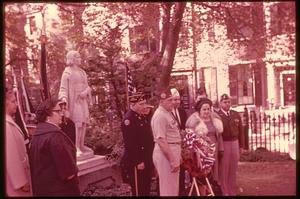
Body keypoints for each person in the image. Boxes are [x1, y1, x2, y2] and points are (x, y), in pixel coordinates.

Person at [29, 98, 80, 196]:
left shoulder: (36, 136)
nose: (62, 113)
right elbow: (69, 174)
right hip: (61, 191)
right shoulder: (55, 136)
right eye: (58, 111)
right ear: (48, 115)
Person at [58, 50, 93, 158]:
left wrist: (86, 92)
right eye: (78, 57)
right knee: (77, 123)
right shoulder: (67, 72)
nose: (80, 59)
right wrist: (63, 99)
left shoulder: (82, 72)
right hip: (74, 101)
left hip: (82, 100)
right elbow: (63, 88)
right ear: (72, 59)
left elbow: (87, 86)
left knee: (84, 122)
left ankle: (81, 145)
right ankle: (76, 146)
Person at [120, 92, 155, 196]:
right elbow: (130, 143)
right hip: (137, 161)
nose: (144, 106)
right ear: (132, 105)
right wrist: (138, 161)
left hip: (146, 158)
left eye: (144, 103)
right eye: (141, 104)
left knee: (146, 188)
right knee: (139, 190)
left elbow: (147, 137)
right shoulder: (129, 120)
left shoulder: (141, 117)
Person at [188, 97, 224, 195]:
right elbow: (191, 138)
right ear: (199, 110)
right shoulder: (194, 122)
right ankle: (203, 194)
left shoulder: (215, 120)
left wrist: (221, 148)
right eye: (204, 109)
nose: (207, 111)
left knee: (213, 174)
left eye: (208, 109)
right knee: (203, 175)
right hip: (202, 152)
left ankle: (210, 192)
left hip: (214, 150)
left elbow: (219, 136)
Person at [151, 88, 181, 196]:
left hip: (172, 151)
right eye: (169, 100)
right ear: (161, 101)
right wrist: (172, 160)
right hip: (166, 155)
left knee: (173, 187)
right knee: (168, 188)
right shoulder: (160, 116)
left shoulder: (167, 113)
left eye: (172, 100)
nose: (172, 103)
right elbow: (161, 140)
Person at [5, 87, 32, 196]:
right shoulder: (6, 125)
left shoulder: (9, 121)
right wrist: (21, 183)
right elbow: (10, 155)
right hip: (17, 185)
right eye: (13, 101)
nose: (16, 104)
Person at [216, 94, 244, 196]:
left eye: (228, 102)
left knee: (233, 168)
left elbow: (241, 131)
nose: (227, 104)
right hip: (224, 143)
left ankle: (232, 191)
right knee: (224, 169)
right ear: (220, 103)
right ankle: (225, 192)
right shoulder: (217, 115)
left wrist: (241, 146)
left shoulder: (235, 114)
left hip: (235, 143)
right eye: (225, 102)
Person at [170, 88, 188, 196]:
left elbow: (185, 128)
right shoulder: (167, 113)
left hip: (181, 146)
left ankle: (181, 191)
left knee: (182, 170)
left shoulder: (182, 111)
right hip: (171, 146)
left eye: (178, 99)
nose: (177, 102)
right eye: (174, 99)